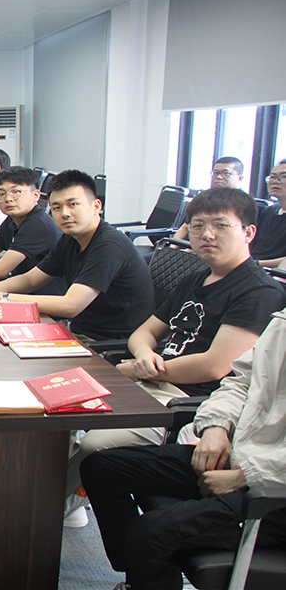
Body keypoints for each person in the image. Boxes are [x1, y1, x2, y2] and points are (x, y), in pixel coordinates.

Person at [64, 188, 286, 521]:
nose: (207, 235)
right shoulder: (196, 277)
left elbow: (214, 367)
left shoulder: (259, 291)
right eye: (197, 226)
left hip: (185, 399)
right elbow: (144, 333)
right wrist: (143, 356)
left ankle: (44, 510)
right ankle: (56, 497)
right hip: (150, 378)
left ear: (248, 232)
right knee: (57, 408)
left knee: (94, 446)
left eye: (220, 225)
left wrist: (143, 370)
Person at [81, 307, 286, 590]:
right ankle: (140, 574)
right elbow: (240, 383)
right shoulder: (282, 323)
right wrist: (216, 426)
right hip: (243, 459)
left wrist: (246, 476)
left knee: (149, 533)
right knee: (102, 467)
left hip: (273, 492)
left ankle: (143, 567)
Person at [0, 169, 153, 341]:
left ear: (96, 206)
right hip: (79, 330)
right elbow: (30, 280)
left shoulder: (109, 246)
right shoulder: (70, 239)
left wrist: (1, 298)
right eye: (56, 208)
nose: (65, 213)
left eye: (73, 204)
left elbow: (71, 306)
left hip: (107, 342)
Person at [0, 166, 65, 293]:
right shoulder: (12, 219)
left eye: (16, 192)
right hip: (21, 291)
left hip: (45, 298)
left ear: (36, 195)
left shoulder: (38, 224)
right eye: (2, 194)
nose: (8, 199)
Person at [248, 159, 286, 267]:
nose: (275, 181)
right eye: (272, 177)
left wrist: (256, 264)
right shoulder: (268, 210)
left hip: (273, 271)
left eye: (284, 176)